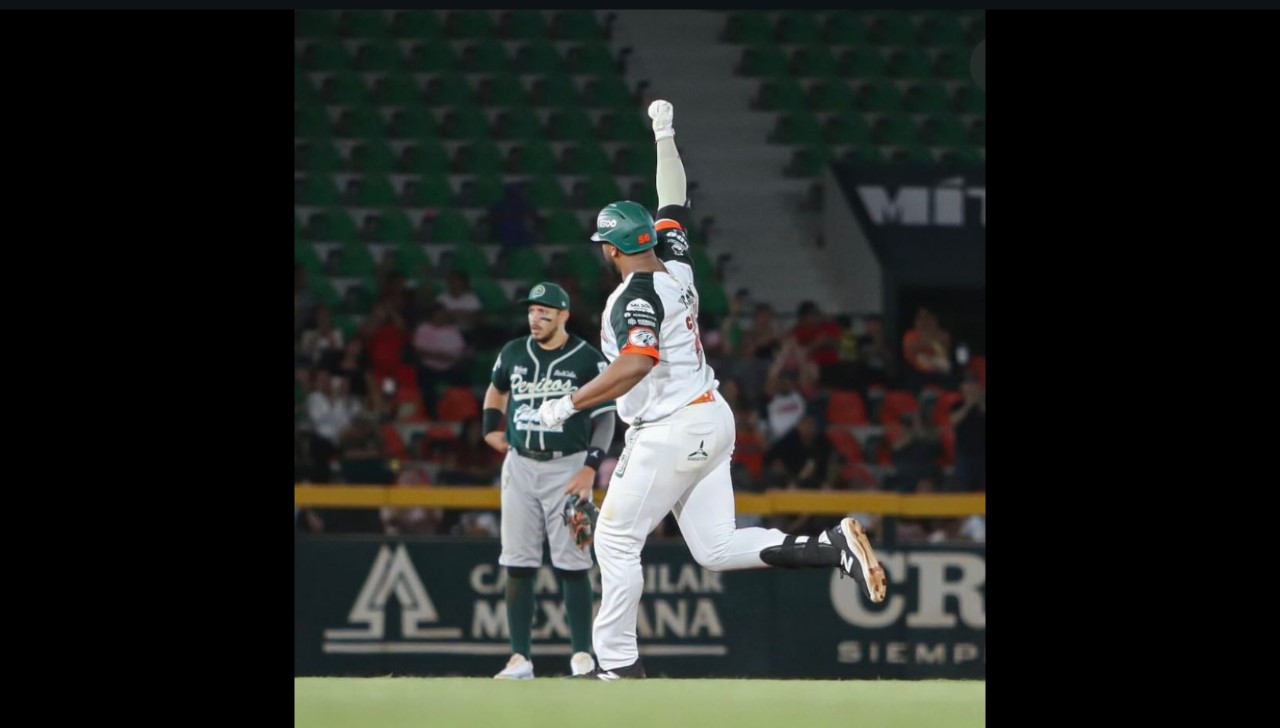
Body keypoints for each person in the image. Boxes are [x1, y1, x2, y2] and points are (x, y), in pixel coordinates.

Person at [536, 100, 887, 681]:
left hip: (670, 428)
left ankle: (617, 666)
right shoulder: (675, 266)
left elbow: (636, 363)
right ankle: (831, 546)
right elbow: (672, 199)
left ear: (612, 249)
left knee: (616, 539)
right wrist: (664, 133)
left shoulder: (634, 296)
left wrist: (567, 404)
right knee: (716, 548)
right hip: (710, 417)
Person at [482, 281, 617, 680]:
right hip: (520, 464)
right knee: (517, 562)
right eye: (531, 311)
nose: (535, 318)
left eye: (544, 312)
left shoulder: (586, 359)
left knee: (574, 562)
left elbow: (605, 417)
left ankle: (582, 655)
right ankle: (519, 658)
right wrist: (490, 429)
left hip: (568, 466)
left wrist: (590, 467)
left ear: (563, 315)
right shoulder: (513, 352)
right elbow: (496, 390)